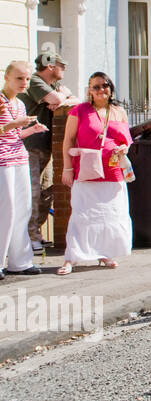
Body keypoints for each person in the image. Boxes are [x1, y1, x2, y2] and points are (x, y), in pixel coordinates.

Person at [57, 72, 133, 274]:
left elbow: (127, 140)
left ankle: (104, 252)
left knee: (111, 215)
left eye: (104, 85)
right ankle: (71, 257)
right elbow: (68, 141)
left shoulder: (119, 112)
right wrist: (67, 168)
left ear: (111, 88)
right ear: (89, 90)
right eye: (96, 87)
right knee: (82, 213)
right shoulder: (79, 111)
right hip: (88, 170)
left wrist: (124, 149)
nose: (101, 90)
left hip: (113, 170)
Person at [20, 51, 76, 254]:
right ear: (50, 66)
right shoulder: (35, 81)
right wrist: (61, 95)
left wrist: (63, 96)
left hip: (45, 146)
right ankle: (30, 238)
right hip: (31, 146)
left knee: (45, 193)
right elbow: (55, 99)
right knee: (33, 193)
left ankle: (37, 234)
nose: (65, 68)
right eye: (62, 65)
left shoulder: (52, 86)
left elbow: (66, 100)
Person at [2, 61, 50, 277]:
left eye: (28, 78)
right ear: (7, 78)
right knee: (7, 210)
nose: (25, 82)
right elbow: (5, 130)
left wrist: (31, 130)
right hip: (2, 161)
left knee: (24, 209)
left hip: (19, 158)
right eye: (19, 78)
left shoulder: (20, 104)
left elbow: (14, 135)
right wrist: (14, 124)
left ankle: (20, 262)